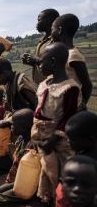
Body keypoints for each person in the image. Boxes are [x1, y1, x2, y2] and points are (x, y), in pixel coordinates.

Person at [31, 42, 80, 203]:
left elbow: (68, 117)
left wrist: (53, 140)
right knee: (45, 172)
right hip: (42, 137)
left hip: (58, 142)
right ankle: (46, 198)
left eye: (42, 61)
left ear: (52, 62)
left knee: (58, 175)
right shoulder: (45, 84)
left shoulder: (70, 88)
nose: (39, 64)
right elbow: (39, 109)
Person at [0, 109, 37, 207]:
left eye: (14, 125)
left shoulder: (33, 149)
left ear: (24, 128)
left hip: (23, 184)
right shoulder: (22, 138)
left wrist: (7, 186)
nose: (11, 126)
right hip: (15, 174)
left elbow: (26, 180)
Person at [55, 111, 97, 207]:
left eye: (71, 139)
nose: (68, 141)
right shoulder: (83, 151)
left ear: (91, 139)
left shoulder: (86, 164)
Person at [51, 13, 92, 108]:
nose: (51, 34)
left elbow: (87, 84)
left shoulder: (73, 55)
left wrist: (82, 103)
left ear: (59, 30)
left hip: (71, 106)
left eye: (52, 30)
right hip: (59, 105)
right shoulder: (61, 54)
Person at [22, 8, 59, 84]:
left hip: (52, 85)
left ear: (50, 21)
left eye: (39, 20)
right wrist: (31, 61)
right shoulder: (41, 41)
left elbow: (55, 64)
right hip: (40, 86)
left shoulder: (56, 41)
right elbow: (40, 62)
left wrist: (35, 60)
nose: (37, 23)